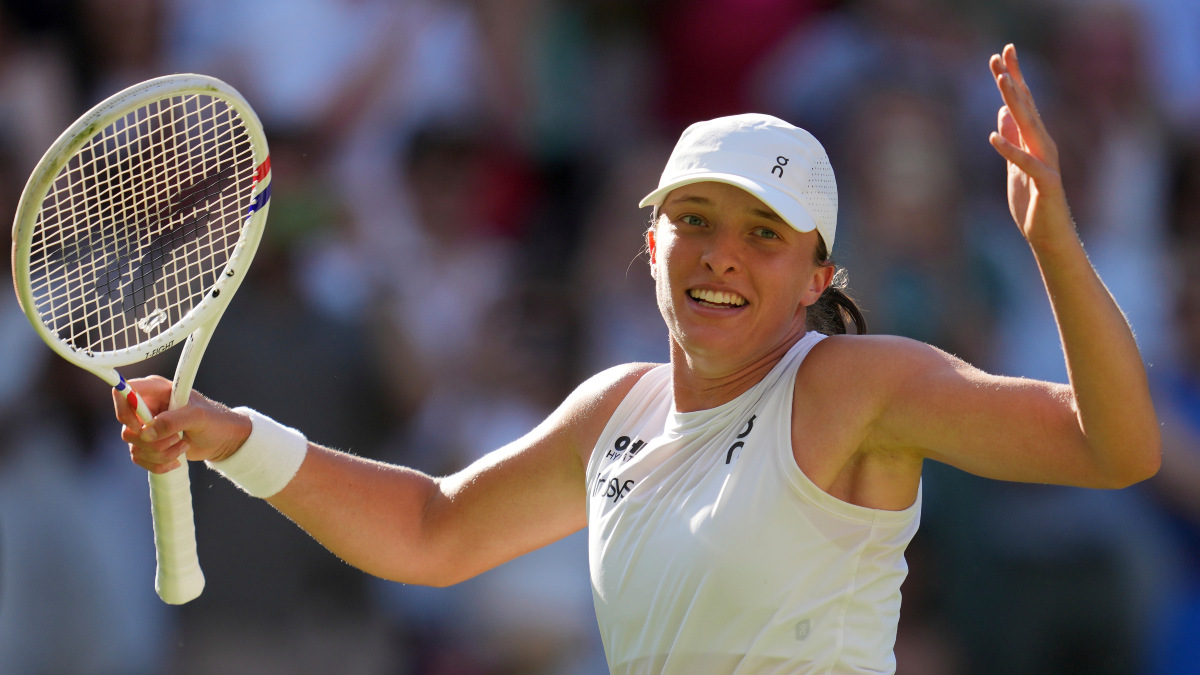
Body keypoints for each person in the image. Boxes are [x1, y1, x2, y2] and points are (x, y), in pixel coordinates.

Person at [115, 45, 1160, 674]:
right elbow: (433, 531)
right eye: (695, 219)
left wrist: (1055, 245)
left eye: (764, 235)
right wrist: (235, 439)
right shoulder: (619, 406)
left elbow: (1113, 447)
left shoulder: (859, 383)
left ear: (817, 275)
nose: (720, 255)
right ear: (651, 240)